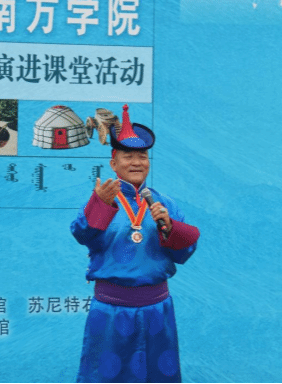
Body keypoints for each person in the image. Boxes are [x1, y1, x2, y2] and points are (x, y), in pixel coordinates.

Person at [70, 105, 200, 383]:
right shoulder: (102, 199)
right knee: (105, 376)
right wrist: (100, 206)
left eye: (142, 156)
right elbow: (82, 235)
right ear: (113, 163)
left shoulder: (165, 203)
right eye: (128, 156)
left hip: (157, 309)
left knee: (159, 376)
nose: (136, 162)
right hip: (111, 310)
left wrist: (170, 227)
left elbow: (184, 254)